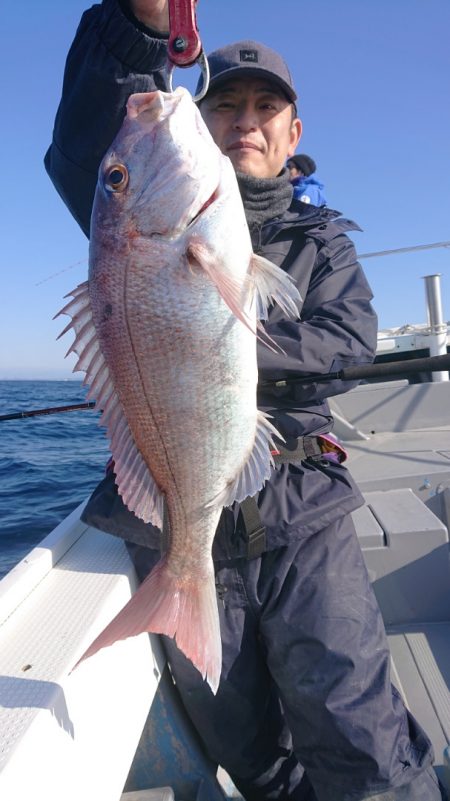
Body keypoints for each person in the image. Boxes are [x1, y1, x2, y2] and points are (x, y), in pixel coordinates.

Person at [44, 2, 444, 799]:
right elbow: (97, 139)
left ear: (293, 136)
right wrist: (142, 23)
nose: (244, 122)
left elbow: (347, 339)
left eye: (266, 108)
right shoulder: (138, 206)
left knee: (358, 733)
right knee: (246, 748)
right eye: (224, 103)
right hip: (186, 517)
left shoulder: (323, 242)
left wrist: (227, 346)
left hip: (304, 513)